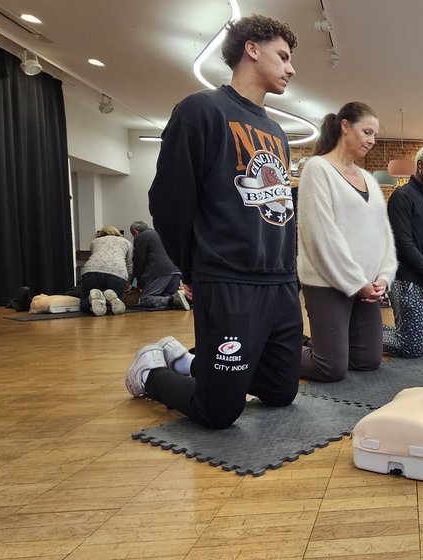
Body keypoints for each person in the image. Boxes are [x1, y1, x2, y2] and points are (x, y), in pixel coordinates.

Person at [128, 14, 303, 429]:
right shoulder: (200, 110)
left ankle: (194, 360)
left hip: (279, 281)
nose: (291, 68)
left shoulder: (277, 131)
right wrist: (192, 268)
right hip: (227, 278)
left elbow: (279, 209)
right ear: (252, 49)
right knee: (218, 411)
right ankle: (150, 374)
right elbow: (169, 201)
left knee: (281, 391)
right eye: (283, 56)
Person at [297, 102, 396, 381]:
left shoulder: (367, 178)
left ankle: (321, 344)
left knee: (367, 361)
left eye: (375, 135)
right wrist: (357, 283)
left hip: (366, 285)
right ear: (344, 126)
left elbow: (384, 233)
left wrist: (383, 278)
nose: (372, 141)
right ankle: (271, 350)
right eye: (367, 132)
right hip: (327, 283)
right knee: (330, 368)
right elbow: (320, 235)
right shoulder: (318, 169)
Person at [382, 146, 423, 358]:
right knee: (410, 348)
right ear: (420, 165)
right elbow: (404, 245)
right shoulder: (401, 197)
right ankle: (364, 334)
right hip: (408, 281)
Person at [129, 221, 188, 311]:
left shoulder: (141, 237)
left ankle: (174, 300)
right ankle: (180, 299)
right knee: (166, 297)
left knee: (146, 299)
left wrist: (137, 281)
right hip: (176, 271)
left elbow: (139, 261)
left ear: (136, 231)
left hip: (160, 272)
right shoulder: (160, 233)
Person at [79, 226, 132, 316]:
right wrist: (128, 281)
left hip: (92, 270)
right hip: (117, 272)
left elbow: (94, 256)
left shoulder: (95, 242)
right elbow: (129, 264)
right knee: (118, 302)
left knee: (84, 305)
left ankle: (91, 301)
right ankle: (110, 299)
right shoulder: (127, 242)